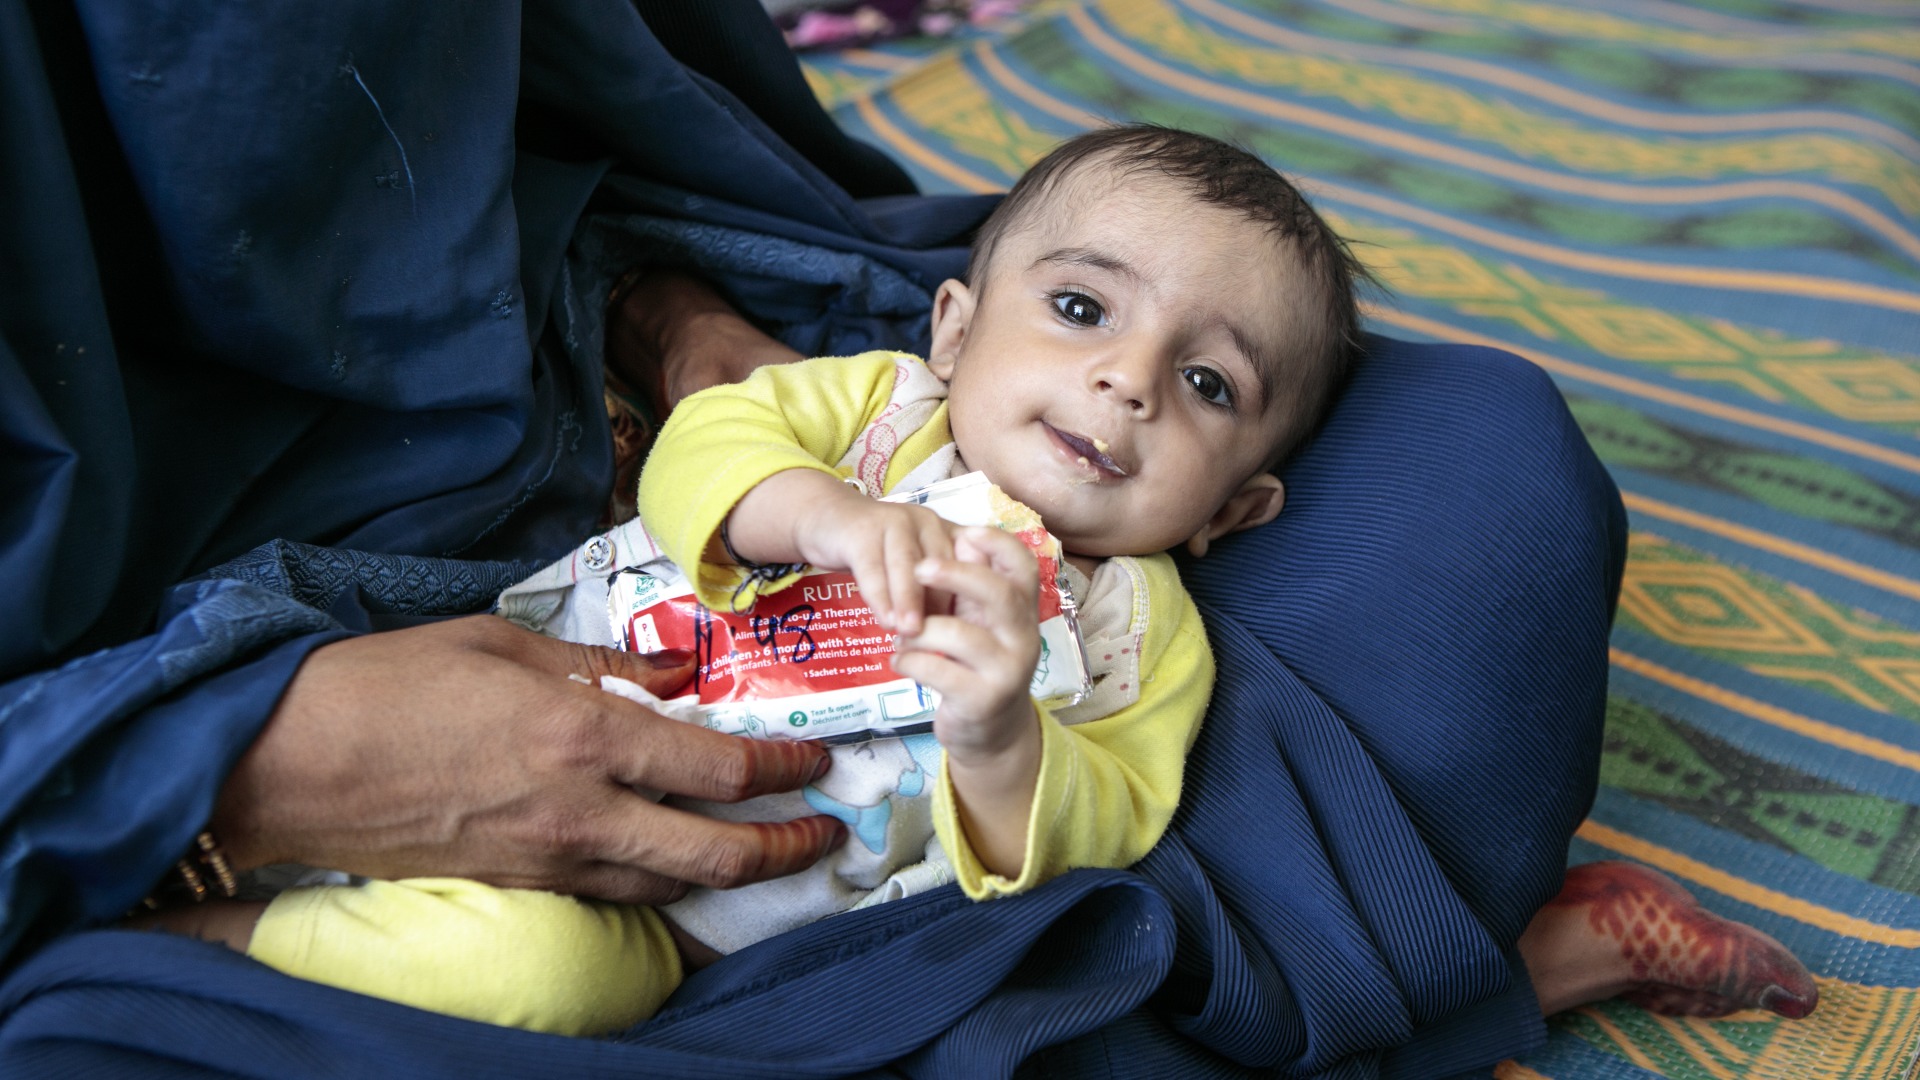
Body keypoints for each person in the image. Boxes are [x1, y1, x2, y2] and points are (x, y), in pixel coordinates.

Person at [0, 0, 1813, 1074]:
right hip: (282, 612)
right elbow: (718, 457)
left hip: (750, 907)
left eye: (1202, 391)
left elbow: (1100, 810)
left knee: (1478, 465)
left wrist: (1004, 728)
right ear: (951, 333)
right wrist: (824, 510)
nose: (1119, 396)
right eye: (1083, 320)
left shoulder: (1126, 615)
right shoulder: (871, 417)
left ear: (1244, 505)